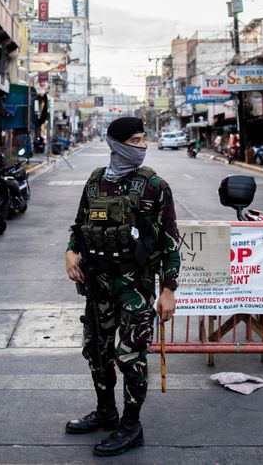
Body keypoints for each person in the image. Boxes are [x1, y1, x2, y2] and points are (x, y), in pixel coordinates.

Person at [65, 116, 181, 457]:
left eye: (144, 139)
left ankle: (131, 426)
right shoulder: (95, 182)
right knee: (97, 351)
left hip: (135, 286)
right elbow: (80, 224)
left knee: (130, 356)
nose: (142, 146)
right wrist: (70, 252)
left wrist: (169, 289)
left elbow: (171, 241)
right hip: (97, 283)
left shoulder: (154, 186)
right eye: (134, 140)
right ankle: (106, 411)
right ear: (115, 144)